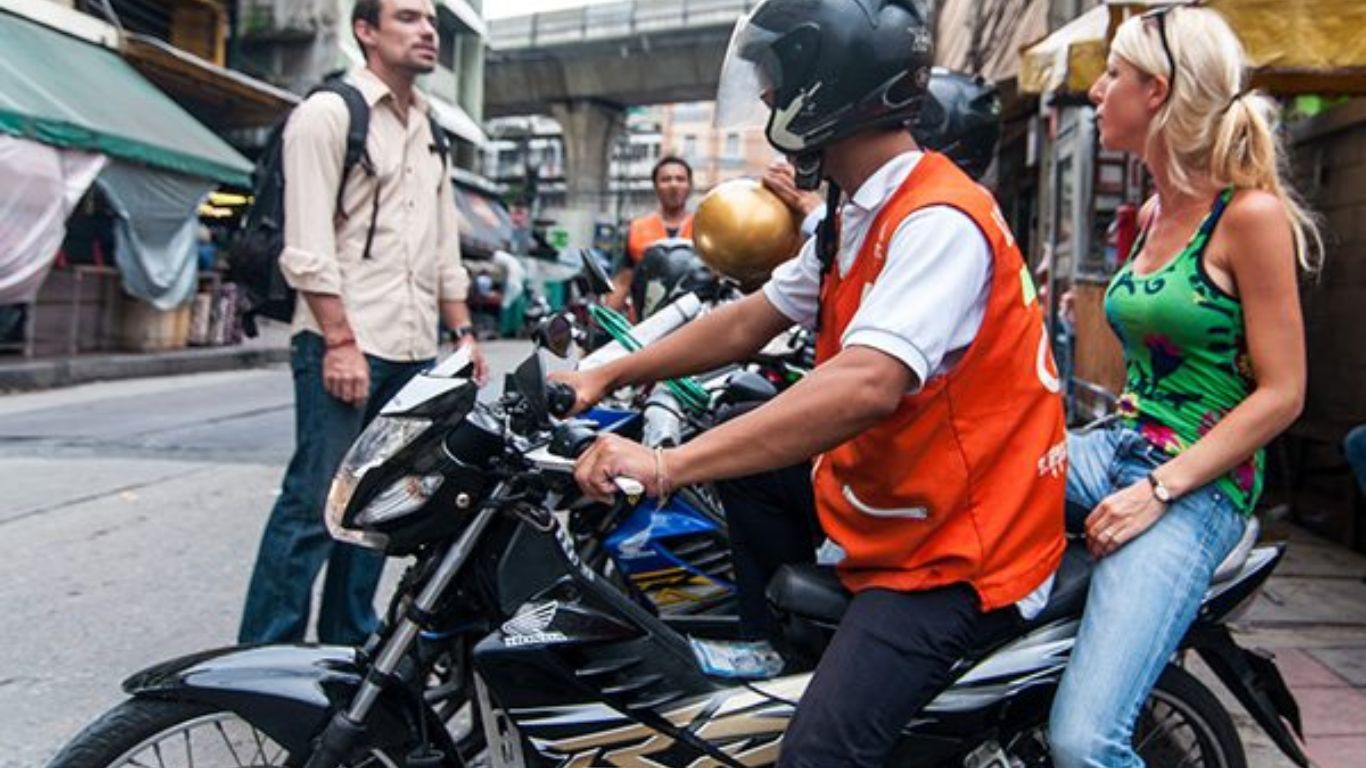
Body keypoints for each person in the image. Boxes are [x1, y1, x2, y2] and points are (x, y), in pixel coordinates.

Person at [552, 1, 1066, 765]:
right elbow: (749, 319)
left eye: (778, 78)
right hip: (900, 498)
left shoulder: (937, 220)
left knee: (816, 756)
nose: (765, 100)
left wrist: (665, 465)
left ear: (831, 86)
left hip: (958, 547)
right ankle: (781, 654)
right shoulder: (855, 212)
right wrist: (606, 371)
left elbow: (863, 386)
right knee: (747, 466)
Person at [1047, 6, 1321, 767]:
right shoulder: (1153, 215)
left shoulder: (1250, 218)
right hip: (1118, 446)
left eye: (1114, 76)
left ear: (1157, 91)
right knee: (956, 474)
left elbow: (1283, 392)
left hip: (1199, 486)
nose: (1098, 91)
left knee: (1083, 742)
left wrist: (1157, 491)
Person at [238, 0, 486, 646]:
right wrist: (339, 342)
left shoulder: (431, 129)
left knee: (381, 511)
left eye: (432, 20)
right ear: (366, 32)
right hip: (343, 342)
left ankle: (349, 647)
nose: (428, 30)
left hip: (410, 349)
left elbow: (442, 249)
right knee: (313, 506)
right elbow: (308, 243)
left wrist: (462, 334)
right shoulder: (328, 114)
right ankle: (264, 657)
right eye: (408, 17)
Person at [607, 156, 694, 312]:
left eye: (680, 179)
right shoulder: (638, 228)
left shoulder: (705, 228)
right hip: (648, 323)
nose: (673, 185)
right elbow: (623, 281)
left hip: (697, 322)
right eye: (666, 179)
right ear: (656, 186)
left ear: (689, 186)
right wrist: (604, 318)